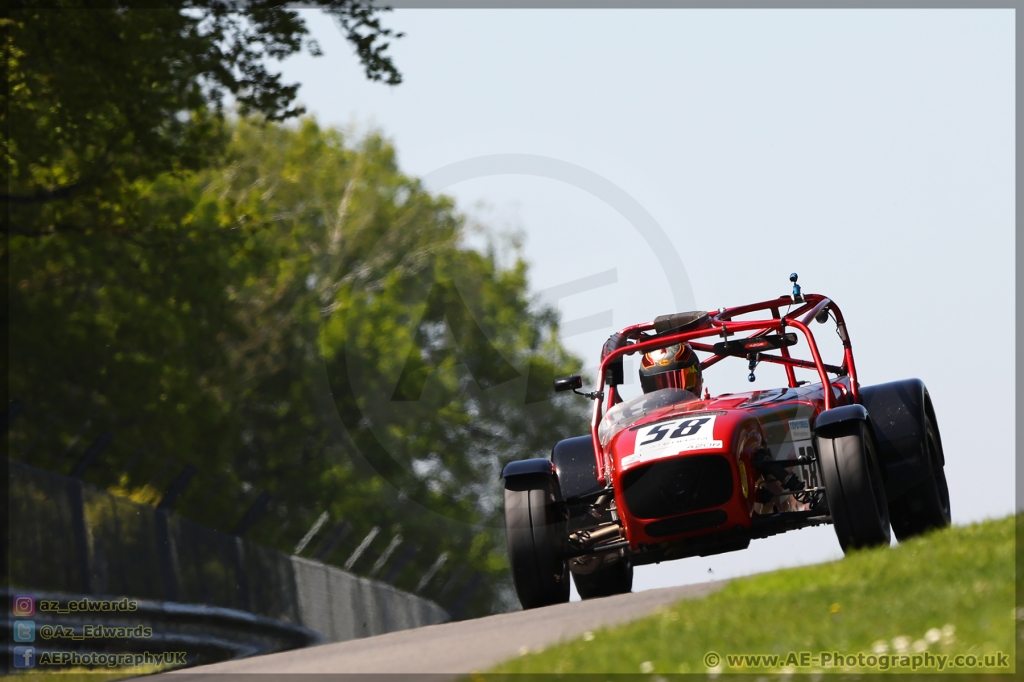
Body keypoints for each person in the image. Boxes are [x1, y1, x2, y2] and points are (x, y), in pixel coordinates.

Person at [638, 342, 703, 395]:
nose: (670, 396)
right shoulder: (645, 411)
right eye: (661, 386)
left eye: (678, 382)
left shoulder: (708, 409)